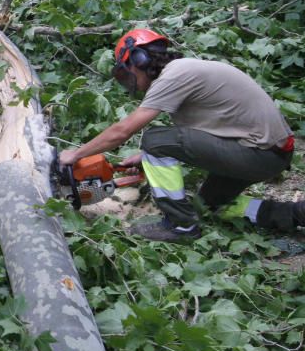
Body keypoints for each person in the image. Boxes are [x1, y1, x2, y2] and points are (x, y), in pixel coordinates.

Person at [58, 28, 300, 242]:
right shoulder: (183, 73)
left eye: (126, 72)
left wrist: (76, 154)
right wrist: (145, 157)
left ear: (140, 60)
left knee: (154, 139)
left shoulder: (175, 75)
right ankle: (293, 214)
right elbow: (205, 129)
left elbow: (123, 130)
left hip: (260, 153)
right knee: (208, 206)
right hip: (269, 152)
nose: (128, 80)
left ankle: (180, 225)